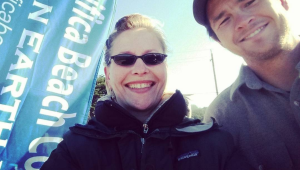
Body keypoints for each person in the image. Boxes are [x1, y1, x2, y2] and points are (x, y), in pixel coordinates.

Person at [41, 14, 254, 170]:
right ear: (108, 74)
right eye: (125, 60)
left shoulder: (215, 142)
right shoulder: (76, 147)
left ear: (165, 67)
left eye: (153, 58)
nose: (140, 69)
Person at [193, 0, 300, 170]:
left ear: (282, 2)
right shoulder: (222, 117)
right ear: (219, 42)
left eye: (250, 2)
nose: (243, 21)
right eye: (224, 20)